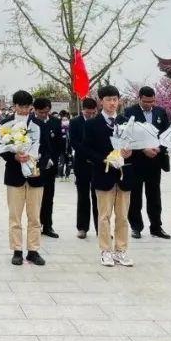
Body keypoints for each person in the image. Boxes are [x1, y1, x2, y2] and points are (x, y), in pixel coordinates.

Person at [83, 85, 135, 267]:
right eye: (108, 100)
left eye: (115, 99)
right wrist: (105, 160)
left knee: (123, 216)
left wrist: (130, 153)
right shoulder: (92, 124)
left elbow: (135, 146)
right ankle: (105, 250)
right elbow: (86, 149)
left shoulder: (127, 122)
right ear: (101, 102)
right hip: (103, 174)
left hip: (124, 175)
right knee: (104, 216)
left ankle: (121, 250)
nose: (112, 103)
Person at [0, 90, 50, 266]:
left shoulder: (39, 124)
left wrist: (37, 162)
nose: (23, 110)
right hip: (15, 175)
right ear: (14, 105)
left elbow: (47, 150)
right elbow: (1, 148)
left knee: (34, 216)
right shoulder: (6, 124)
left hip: (35, 176)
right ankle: (17, 250)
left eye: (27, 107)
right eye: (20, 106)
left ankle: (33, 250)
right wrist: (14, 156)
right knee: (15, 216)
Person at [124, 86, 171, 240]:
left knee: (154, 196)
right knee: (135, 196)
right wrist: (143, 149)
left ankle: (156, 227)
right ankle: (136, 226)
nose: (149, 104)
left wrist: (159, 148)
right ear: (139, 98)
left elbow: (166, 134)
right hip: (137, 160)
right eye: (145, 102)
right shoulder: (129, 112)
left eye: (152, 101)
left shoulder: (160, 112)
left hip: (155, 161)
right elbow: (127, 135)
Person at [68, 98, 99, 239]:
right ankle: (82, 227)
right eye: (88, 113)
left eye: (93, 113)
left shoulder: (99, 121)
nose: (91, 115)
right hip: (81, 163)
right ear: (83, 109)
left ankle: (101, 228)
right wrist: (88, 154)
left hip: (97, 163)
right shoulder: (75, 122)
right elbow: (74, 142)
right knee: (83, 196)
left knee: (98, 197)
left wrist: (95, 156)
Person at [34, 97, 63, 239]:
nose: (44, 115)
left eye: (46, 112)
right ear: (35, 110)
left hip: (51, 166)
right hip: (35, 165)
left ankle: (47, 225)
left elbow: (59, 144)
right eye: (41, 112)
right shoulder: (31, 123)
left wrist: (53, 159)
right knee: (35, 197)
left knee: (49, 196)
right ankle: (35, 225)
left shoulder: (55, 122)